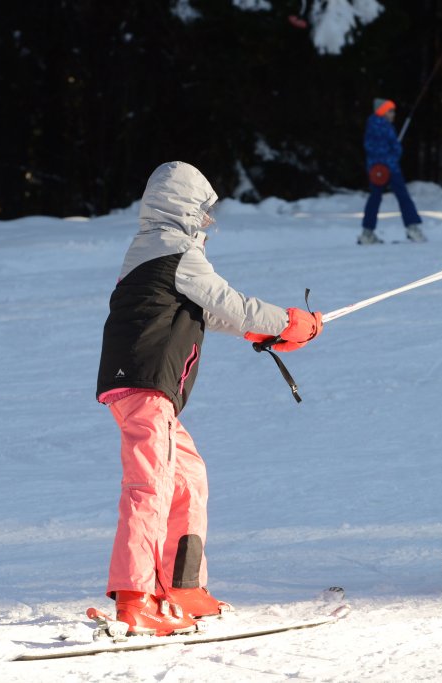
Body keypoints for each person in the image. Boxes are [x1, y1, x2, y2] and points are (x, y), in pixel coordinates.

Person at [96, 161, 323, 635]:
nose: (207, 221)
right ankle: (136, 598)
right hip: (147, 384)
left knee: (188, 475)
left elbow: (206, 313)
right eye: (202, 210)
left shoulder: (151, 250)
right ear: (181, 208)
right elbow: (231, 303)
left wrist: (264, 333)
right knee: (149, 486)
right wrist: (289, 321)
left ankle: (183, 587)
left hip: (137, 386)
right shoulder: (177, 251)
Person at [359, 98, 426, 245]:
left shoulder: (377, 125)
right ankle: (412, 228)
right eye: (390, 111)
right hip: (386, 168)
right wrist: (393, 155)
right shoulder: (380, 126)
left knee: (376, 198)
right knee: (402, 197)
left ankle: (367, 233)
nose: (393, 114)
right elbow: (374, 148)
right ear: (382, 111)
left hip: (378, 169)